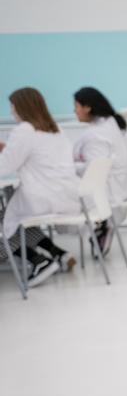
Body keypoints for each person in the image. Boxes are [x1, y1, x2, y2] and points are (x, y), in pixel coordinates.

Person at [0, 88, 79, 286]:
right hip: (66, 195)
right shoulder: (56, 129)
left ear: (22, 107)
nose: (11, 112)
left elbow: (5, 167)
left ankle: (39, 261)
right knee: (12, 215)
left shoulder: (24, 130)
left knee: (6, 220)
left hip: (41, 197)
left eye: (13, 107)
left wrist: (7, 152)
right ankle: (56, 253)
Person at [72, 86, 127, 256]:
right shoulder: (110, 124)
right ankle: (101, 228)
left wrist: (68, 166)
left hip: (109, 193)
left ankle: (101, 226)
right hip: (120, 188)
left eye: (76, 106)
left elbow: (93, 170)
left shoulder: (97, 134)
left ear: (87, 107)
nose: (74, 111)